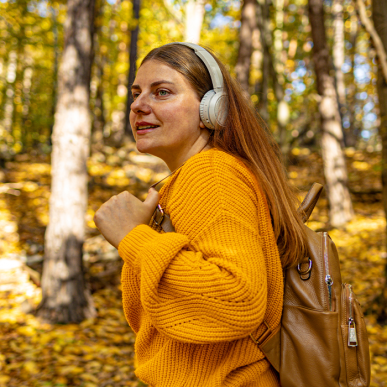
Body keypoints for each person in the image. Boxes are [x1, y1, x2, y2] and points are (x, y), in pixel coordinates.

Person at [94, 42, 308, 387]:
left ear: (212, 108)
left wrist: (132, 238)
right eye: (136, 94)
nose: (138, 105)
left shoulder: (211, 173)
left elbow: (237, 298)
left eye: (161, 92)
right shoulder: (191, 179)